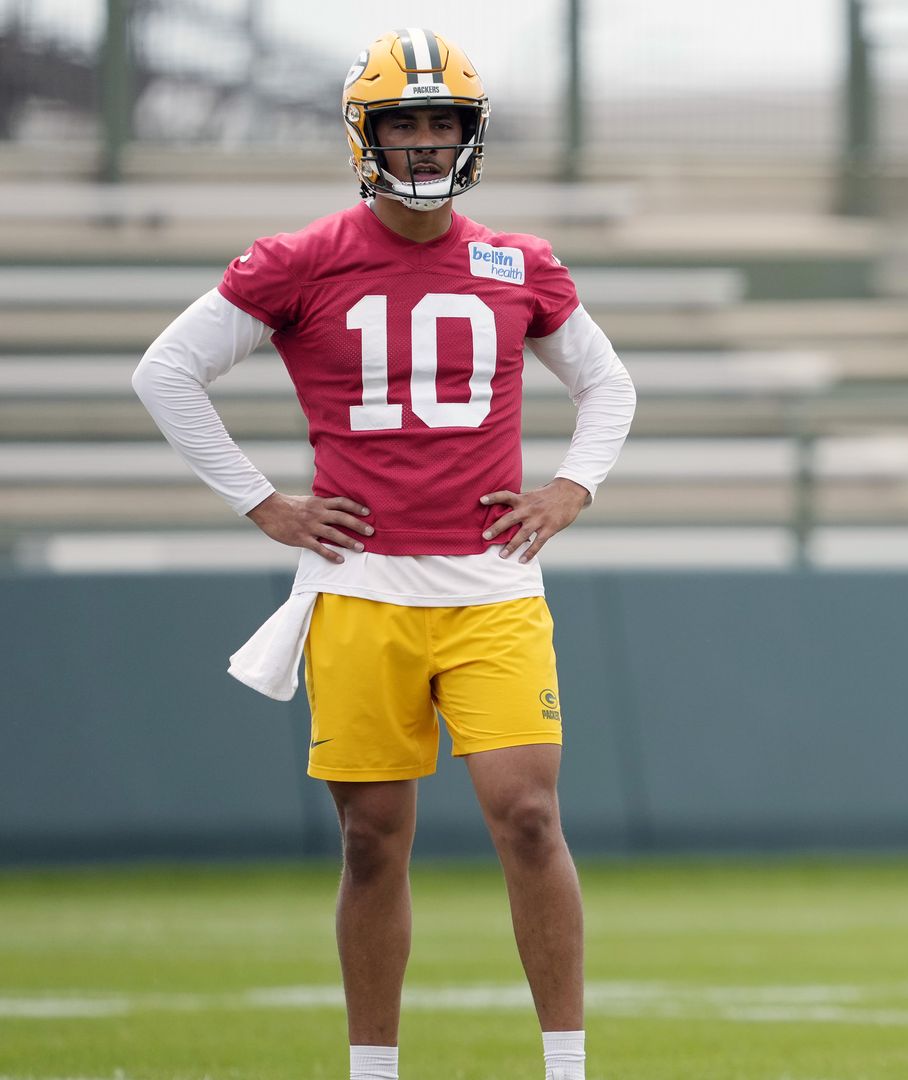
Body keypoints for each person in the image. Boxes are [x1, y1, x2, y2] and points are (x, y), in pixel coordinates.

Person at [131, 28, 634, 1080]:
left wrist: (571, 488)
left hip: (491, 582)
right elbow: (167, 372)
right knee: (371, 840)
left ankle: (567, 1066)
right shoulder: (300, 259)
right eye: (402, 122)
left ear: (470, 133)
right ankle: (373, 1071)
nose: (421, 141)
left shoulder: (517, 261)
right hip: (361, 586)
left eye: (439, 121)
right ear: (368, 134)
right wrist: (263, 503)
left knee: (530, 814)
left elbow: (609, 385)